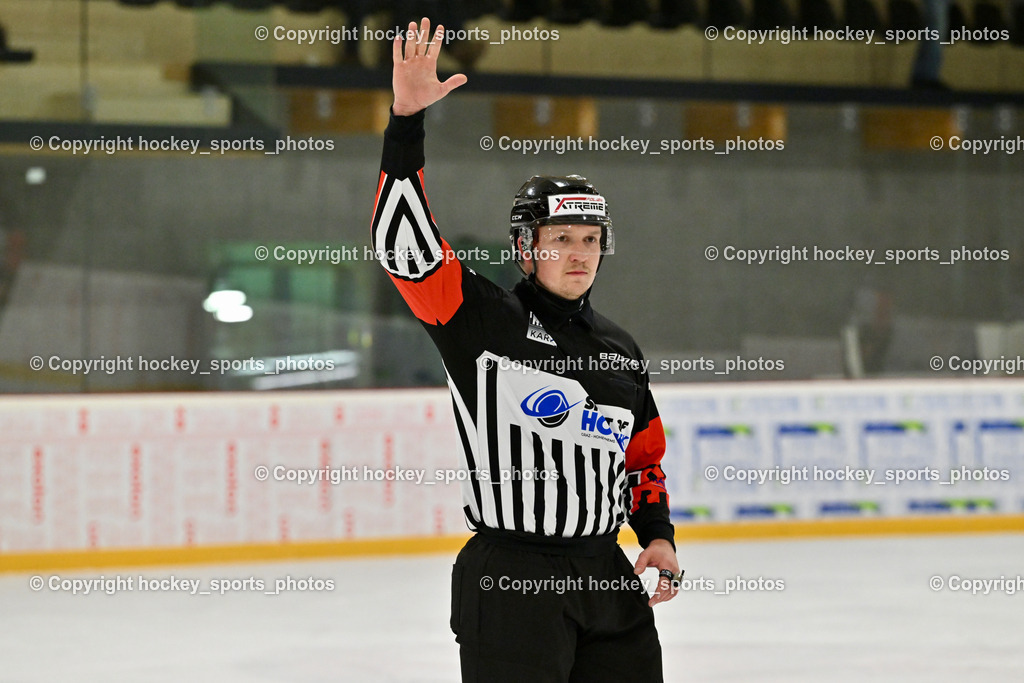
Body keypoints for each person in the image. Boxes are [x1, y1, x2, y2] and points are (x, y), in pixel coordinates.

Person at [369, 18, 680, 682]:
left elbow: (641, 456)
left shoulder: (619, 349)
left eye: (590, 240)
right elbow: (405, 250)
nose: (579, 253)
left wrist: (656, 533)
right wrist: (406, 124)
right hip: (512, 577)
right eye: (560, 238)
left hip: (605, 577)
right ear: (524, 247)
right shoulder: (481, 319)